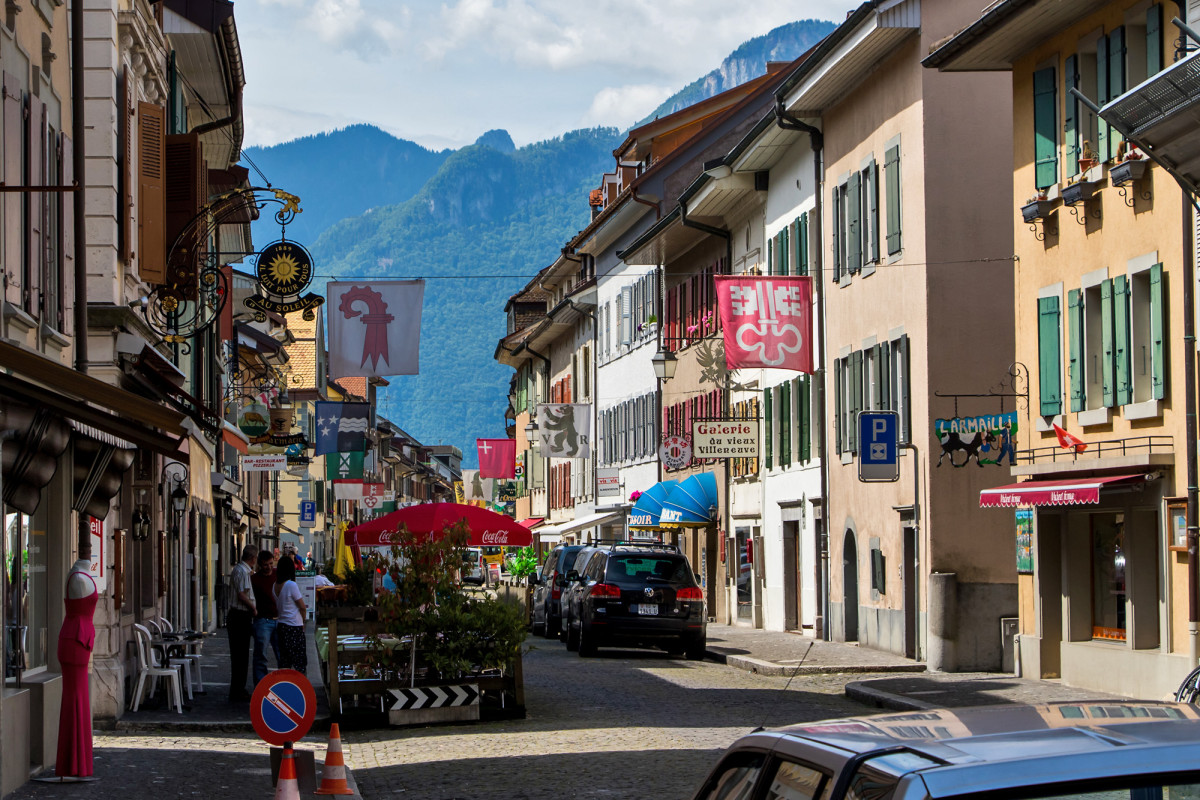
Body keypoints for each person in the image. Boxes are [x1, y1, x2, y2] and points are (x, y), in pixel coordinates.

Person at [56, 558, 98, 777]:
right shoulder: (79, 578)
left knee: (78, 699)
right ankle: (73, 763)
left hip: (78, 641)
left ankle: (77, 763)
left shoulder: (81, 575)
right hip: (75, 641)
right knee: (74, 700)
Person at [226, 544, 258, 702]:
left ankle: (238, 688)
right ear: (253, 558)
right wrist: (253, 608)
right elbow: (242, 595)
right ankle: (238, 690)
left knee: (239, 654)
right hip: (240, 616)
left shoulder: (240, 570)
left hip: (237, 616)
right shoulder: (243, 571)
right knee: (241, 654)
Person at [250, 550, 280, 685]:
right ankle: (261, 685)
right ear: (260, 565)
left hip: (278, 619)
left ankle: (284, 683)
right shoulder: (254, 579)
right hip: (263, 620)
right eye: (265, 565)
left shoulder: (278, 575)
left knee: (281, 654)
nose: (268, 567)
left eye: (270, 564)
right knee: (261, 654)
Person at [273, 556, 307, 674]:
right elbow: (302, 606)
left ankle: (284, 688)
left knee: (284, 662)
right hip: (294, 626)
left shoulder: (274, 586)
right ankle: (301, 689)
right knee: (299, 663)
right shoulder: (291, 585)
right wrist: (303, 621)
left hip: (281, 626)